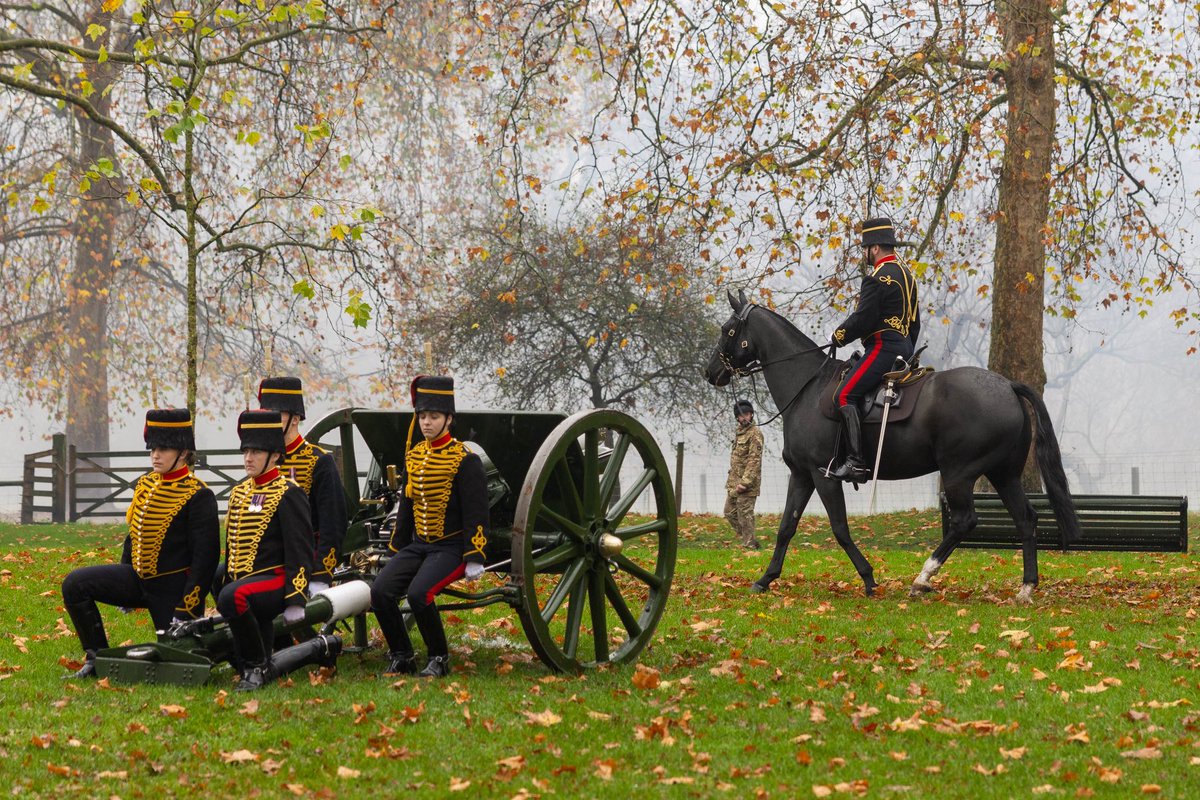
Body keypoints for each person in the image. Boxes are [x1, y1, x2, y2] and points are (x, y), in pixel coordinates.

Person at [61, 408, 219, 678]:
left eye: (163, 449)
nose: (155, 455)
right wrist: (124, 571)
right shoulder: (145, 485)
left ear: (182, 453)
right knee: (74, 584)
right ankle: (95, 658)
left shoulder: (199, 495)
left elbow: (205, 559)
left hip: (172, 591)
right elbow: (134, 534)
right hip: (138, 580)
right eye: (153, 448)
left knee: (182, 663)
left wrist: (187, 607)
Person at [370, 375, 488, 678]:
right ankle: (402, 655)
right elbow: (407, 506)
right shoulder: (416, 456)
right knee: (381, 591)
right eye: (422, 416)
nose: (426, 422)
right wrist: (397, 548)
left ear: (449, 419)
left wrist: (474, 554)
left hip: (451, 547)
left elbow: (477, 510)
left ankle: (439, 658)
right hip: (418, 544)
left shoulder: (465, 459)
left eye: (433, 416)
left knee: (419, 594)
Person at [214, 409, 314, 691]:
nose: (248, 458)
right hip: (247, 577)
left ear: (274, 455)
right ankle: (245, 656)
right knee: (221, 582)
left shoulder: (289, 491)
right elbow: (231, 545)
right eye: (246, 451)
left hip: (276, 580)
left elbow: (300, 548)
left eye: (256, 452)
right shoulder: (239, 492)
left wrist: (296, 596)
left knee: (233, 595)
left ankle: (258, 667)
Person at [828, 217, 920, 482]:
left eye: (865, 249)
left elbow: (863, 319)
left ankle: (856, 462)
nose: (865, 254)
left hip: (883, 347)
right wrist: (907, 353)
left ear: (875, 248)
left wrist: (838, 336)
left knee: (845, 395)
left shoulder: (877, 278)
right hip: (904, 347)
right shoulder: (908, 276)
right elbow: (915, 323)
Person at [257, 376, 347, 594]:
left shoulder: (319, 461)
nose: (269, 422)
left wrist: (321, 575)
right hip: (266, 559)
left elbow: (332, 524)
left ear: (295, 418)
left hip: (304, 558)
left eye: (275, 416)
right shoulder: (261, 460)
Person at [724, 399, 764, 549]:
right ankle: (750, 538)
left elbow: (754, 460)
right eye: (741, 415)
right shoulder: (739, 433)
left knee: (745, 515)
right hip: (734, 481)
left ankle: (750, 546)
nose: (745, 417)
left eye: (747, 414)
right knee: (729, 512)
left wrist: (745, 482)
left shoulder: (755, 434)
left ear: (752, 415)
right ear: (737, 417)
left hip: (747, 484)